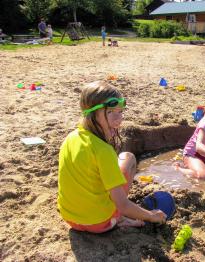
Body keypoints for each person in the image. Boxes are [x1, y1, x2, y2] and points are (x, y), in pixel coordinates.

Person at [57, 81, 167, 233]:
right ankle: (118, 219)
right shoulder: (103, 151)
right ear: (91, 115)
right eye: (110, 112)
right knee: (128, 158)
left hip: (69, 217)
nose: (118, 119)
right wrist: (152, 216)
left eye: (120, 112)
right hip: (99, 224)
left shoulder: (70, 138)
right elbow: (123, 205)